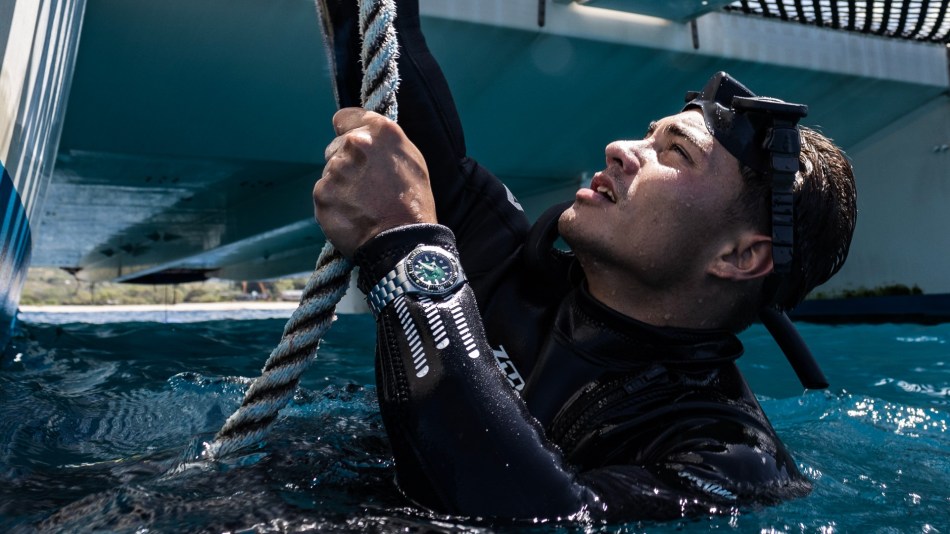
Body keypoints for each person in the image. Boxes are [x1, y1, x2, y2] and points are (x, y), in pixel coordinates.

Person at [312, 0, 857, 522]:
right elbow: (388, 67)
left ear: (740, 255)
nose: (620, 147)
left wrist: (408, 255)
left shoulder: (732, 458)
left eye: (676, 152)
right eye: (648, 135)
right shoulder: (511, 262)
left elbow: (538, 513)